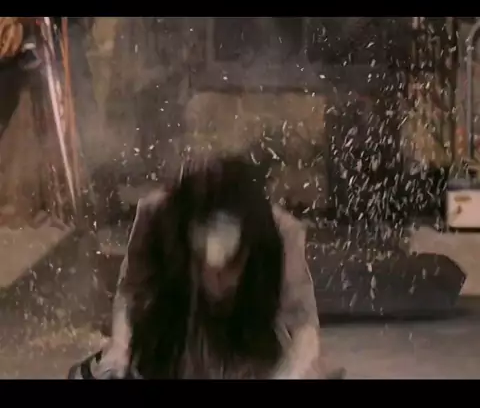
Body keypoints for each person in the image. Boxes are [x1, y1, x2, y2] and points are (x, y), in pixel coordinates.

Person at [68, 155, 344, 379]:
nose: (216, 278)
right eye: (206, 264)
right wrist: (119, 351)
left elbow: (304, 326)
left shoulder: (280, 233)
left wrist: (290, 374)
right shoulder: (157, 218)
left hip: (251, 337)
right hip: (178, 329)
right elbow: (131, 295)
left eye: (229, 268)